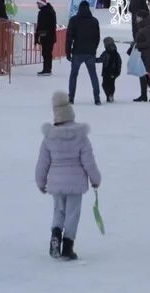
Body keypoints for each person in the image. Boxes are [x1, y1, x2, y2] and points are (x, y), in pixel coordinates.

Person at [36, 90, 101, 261]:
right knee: (73, 214)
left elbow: (42, 162)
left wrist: (40, 181)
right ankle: (67, 247)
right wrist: (95, 179)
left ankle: (55, 236)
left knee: (58, 210)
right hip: (75, 184)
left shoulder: (49, 137)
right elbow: (89, 161)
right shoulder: (81, 136)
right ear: (71, 114)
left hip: (56, 183)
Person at [65, 1, 101, 105]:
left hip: (77, 52)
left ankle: (71, 97)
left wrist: (68, 52)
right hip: (90, 53)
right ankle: (97, 98)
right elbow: (97, 37)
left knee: (73, 75)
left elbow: (69, 38)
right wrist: (93, 49)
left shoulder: (74, 20)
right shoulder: (94, 21)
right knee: (93, 75)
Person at [129, 8, 150, 102]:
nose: (136, 19)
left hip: (147, 54)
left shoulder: (147, 28)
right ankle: (148, 93)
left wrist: (137, 45)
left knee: (143, 73)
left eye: (138, 17)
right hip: (144, 53)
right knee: (142, 73)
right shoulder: (145, 27)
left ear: (142, 18)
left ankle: (148, 93)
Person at [35, 0, 57, 76]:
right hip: (46, 36)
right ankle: (46, 69)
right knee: (46, 53)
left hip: (48, 36)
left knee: (47, 53)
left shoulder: (47, 12)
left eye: (39, 3)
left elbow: (46, 26)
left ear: (42, 3)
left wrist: (41, 34)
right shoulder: (45, 11)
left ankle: (47, 69)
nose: (38, 5)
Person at [97, 37, 122, 103]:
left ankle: (109, 95)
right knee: (111, 83)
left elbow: (100, 59)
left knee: (104, 84)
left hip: (106, 72)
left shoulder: (106, 53)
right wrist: (118, 71)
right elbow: (119, 62)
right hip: (115, 72)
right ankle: (111, 95)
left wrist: (93, 60)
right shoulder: (116, 53)